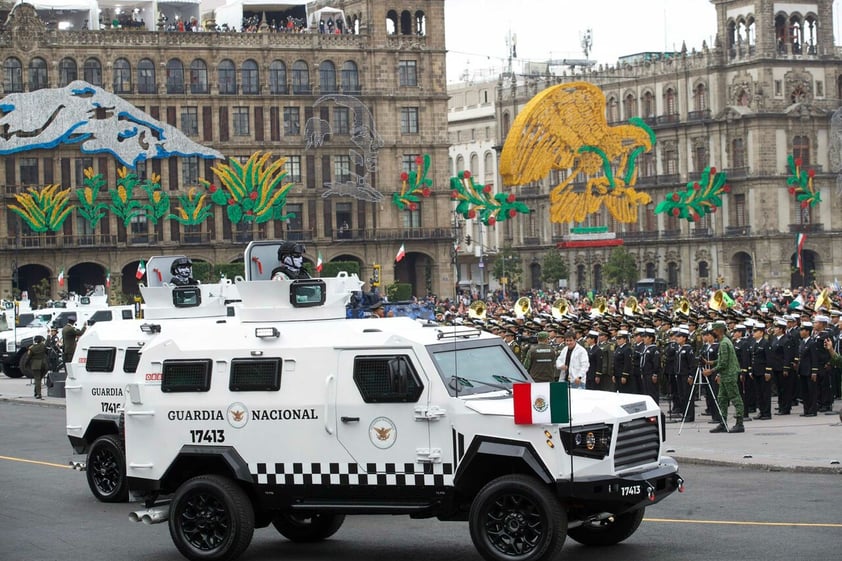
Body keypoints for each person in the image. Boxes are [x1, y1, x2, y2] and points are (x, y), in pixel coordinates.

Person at [704, 320, 745, 433]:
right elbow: (722, 360)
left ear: (719, 331)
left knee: (735, 398)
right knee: (721, 398)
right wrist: (712, 362)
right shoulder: (725, 341)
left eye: (714, 331)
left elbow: (724, 363)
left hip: (729, 375)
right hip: (725, 375)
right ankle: (723, 422)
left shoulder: (724, 343)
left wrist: (711, 371)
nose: (713, 333)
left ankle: (740, 423)